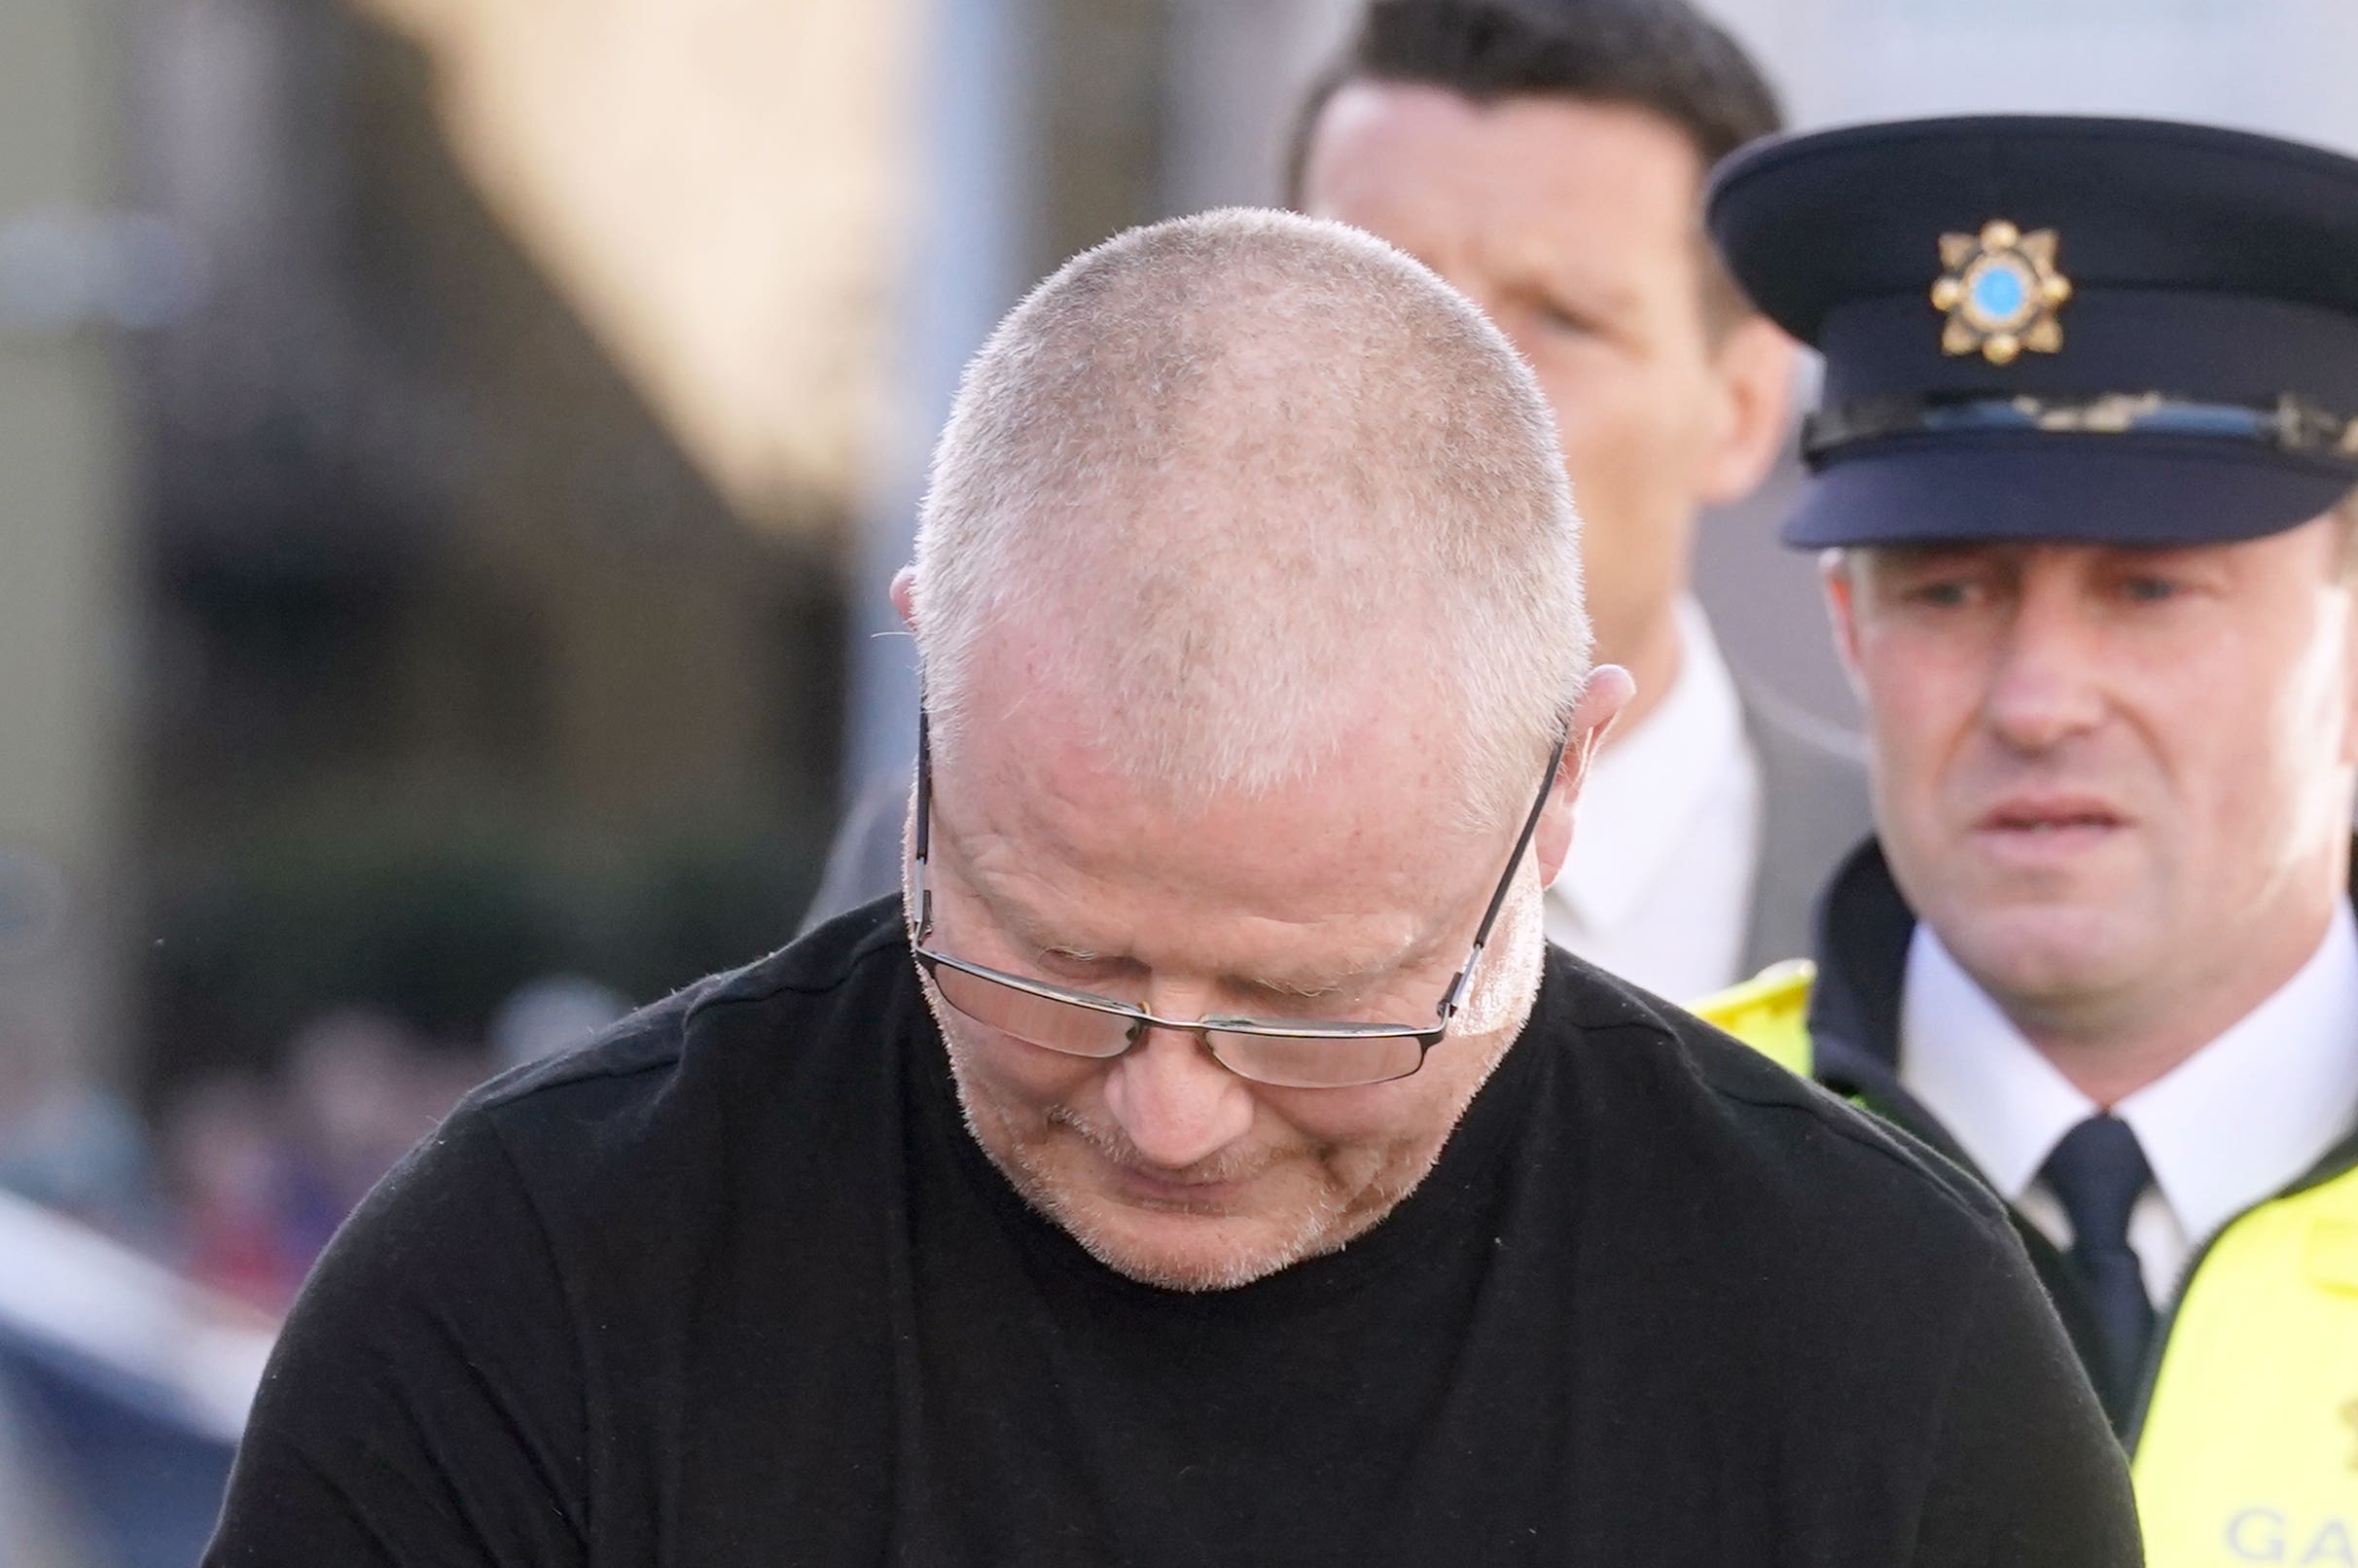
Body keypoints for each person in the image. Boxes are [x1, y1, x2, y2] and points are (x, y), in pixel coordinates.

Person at [204, 210, 2133, 1566]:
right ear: (926, 697)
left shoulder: (1878, 1361)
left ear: (1562, 785)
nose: (1170, 1111)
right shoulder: (539, 1292)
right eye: (1052, 959)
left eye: (1316, 1006)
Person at [804, 0, 1868, 1000]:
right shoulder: (962, 852)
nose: (1442, 388)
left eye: (1560, 317)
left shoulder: (1912, 895)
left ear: (1743, 406)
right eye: (1373, 293)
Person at [1697, 115, 2358, 1562]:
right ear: (1850, 629)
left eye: (2150, 590)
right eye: (1950, 591)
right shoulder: (1635, 1172)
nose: (2039, 701)